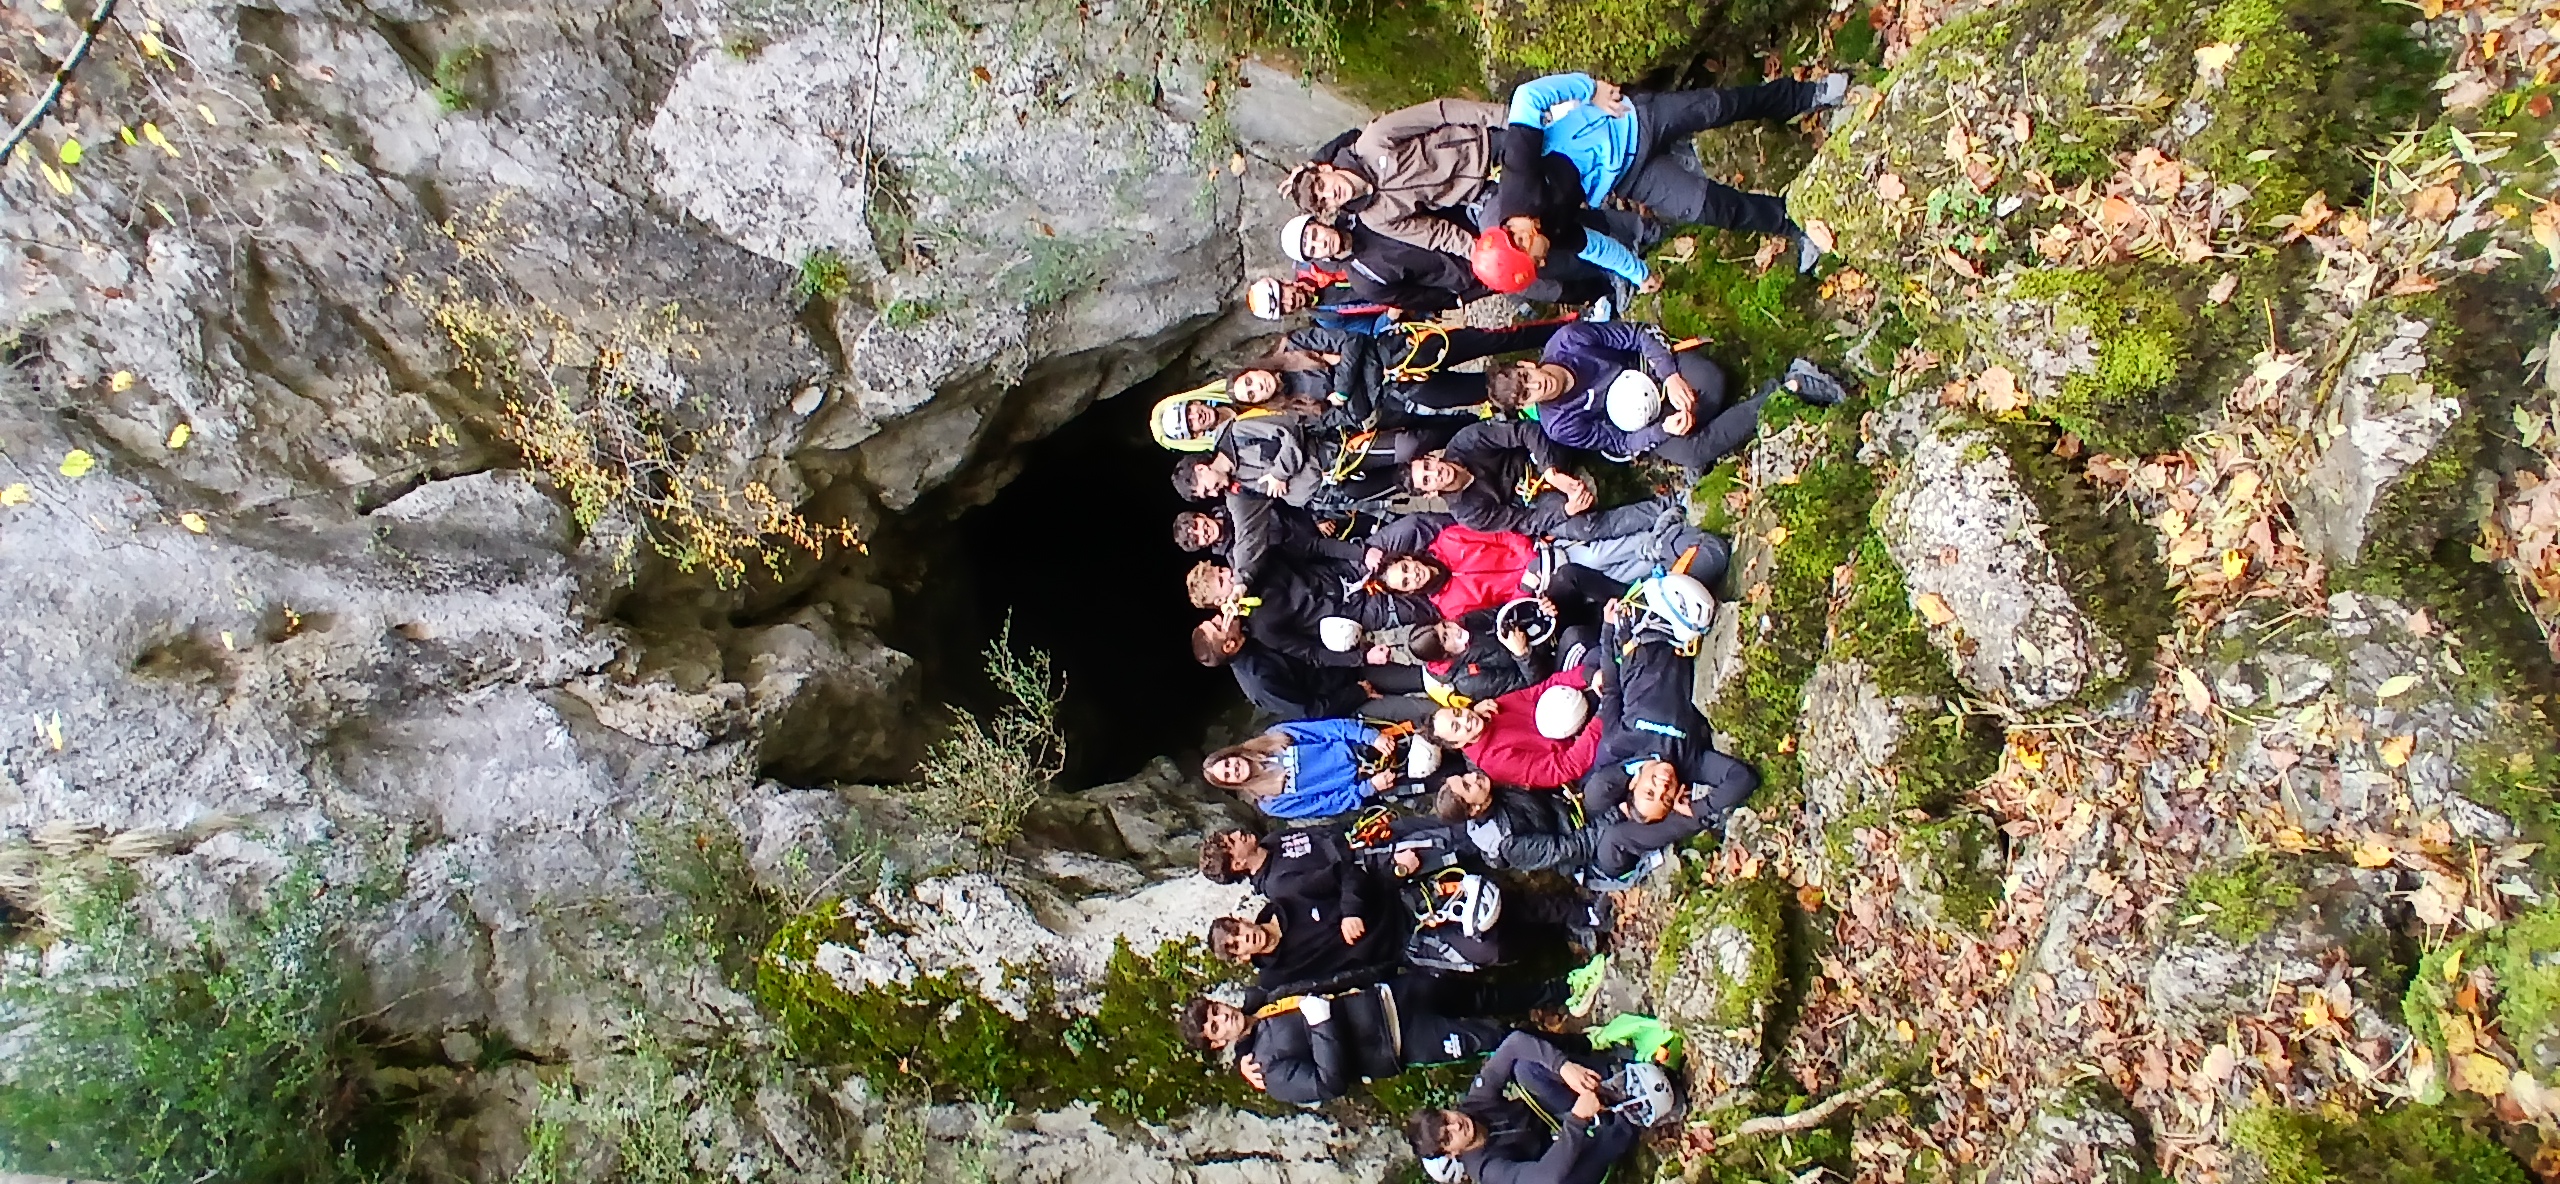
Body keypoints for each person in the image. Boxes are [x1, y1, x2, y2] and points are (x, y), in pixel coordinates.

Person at [1489, 71, 1850, 274]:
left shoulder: (1518, 181)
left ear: (1517, 238)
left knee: (1718, 106)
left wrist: (1592, 89)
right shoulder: (1547, 232)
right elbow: (1593, 247)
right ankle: (1792, 224)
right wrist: (1637, 274)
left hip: (1627, 120)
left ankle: (1806, 94)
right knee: (1707, 208)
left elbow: (1526, 98)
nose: (1542, 260)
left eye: (1534, 260)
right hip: (1628, 175)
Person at [1490, 326, 1847, 477]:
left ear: (1526, 365)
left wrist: (1670, 375)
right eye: (1527, 394)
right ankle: (1787, 389)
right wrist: (1661, 430)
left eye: (1527, 377)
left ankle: (1724, 419)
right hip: (1644, 421)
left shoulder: (1569, 340)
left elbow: (1635, 335)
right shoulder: (1558, 425)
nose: (1537, 384)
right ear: (1526, 406)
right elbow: (1618, 443)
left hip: (1654, 374)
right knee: (1693, 453)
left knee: (1713, 383)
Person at [1180, 975, 1547, 1104]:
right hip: (1401, 1042)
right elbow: (1329, 1084)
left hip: (1391, 996)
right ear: (1217, 1044)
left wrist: (1384, 976)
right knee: (1494, 1038)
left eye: (1215, 1011)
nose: (1221, 1017)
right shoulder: (1269, 1074)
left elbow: (1327, 979)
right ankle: (1580, 1047)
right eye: (1214, 1027)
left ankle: (1562, 989)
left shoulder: (1262, 997)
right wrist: (1321, 1025)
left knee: (1484, 996)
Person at [1285, 99, 1510, 260]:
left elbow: (1440, 112)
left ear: (1325, 168)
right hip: (1480, 196)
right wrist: (1479, 254)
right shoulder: (1374, 219)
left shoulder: (1373, 140)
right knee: (1511, 247)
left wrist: (1505, 118)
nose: (1329, 194)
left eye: (1322, 185)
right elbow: (1434, 234)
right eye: (1323, 202)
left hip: (1487, 146)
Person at [1407, 1030, 1642, 1184]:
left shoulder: (1475, 1102)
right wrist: (1578, 1119)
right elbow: (1544, 1176)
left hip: (1556, 1114)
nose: (1456, 1125)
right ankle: (1631, 1121)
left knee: (1525, 1068)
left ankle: (1620, 1077)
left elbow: (1514, 1043)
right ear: (1452, 1153)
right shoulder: (1487, 1169)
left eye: (1446, 1119)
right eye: (1448, 1137)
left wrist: (1563, 1067)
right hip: (1562, 1152)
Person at [1403, 419, 1663, 538]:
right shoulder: (1468, 513)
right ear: (1430, 494)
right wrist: (1566, 509)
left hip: (1540, 458)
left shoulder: (1465, 442)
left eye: (1428, 465)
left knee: (1561, 429)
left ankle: (1643, 435)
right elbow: (1524, 523)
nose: (1435, 473)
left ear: (1432, 457)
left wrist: (1551, 471)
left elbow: (1524, 431)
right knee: (1583, 528)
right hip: (1534, 500)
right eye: (1427, 480)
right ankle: (1662, 508)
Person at [1429, 667, 1602, 790]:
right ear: (1457, 744)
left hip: (1576, 706)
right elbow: (1565, 767)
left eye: (1458, 712)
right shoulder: (1496, 762)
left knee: (1586, 651)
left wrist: (1588, 676)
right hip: (1585, 744)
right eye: (1456, 727)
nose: (1465, 719)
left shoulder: (1491, 709)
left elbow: (1540, 691)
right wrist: (1601, 718)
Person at [1200, 827, 1385, 940]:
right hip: (1373, 864)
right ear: (1238, 864)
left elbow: (1322, 832)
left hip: (1368, 835)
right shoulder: (1279, 886)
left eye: (1231, 834)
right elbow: (1338, 879)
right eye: (1233, 841)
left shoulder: (1271, 840)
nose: (1238, 833)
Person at [1191, 612, 1379, 722]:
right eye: (1217, 625)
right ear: (1229, 646)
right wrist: (1358, 693)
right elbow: (1310, 711)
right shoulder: (1259, 683)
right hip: (1353, 688)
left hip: (1354, 655)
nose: (1219, 616)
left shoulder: (1250, 628)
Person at [1202, 719, 1399, 818]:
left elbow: (1326, 729)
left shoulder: (1274, 736)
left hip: (1363, 745)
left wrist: (1369, 736)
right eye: (1227, 775)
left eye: (1227, 763)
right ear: (1232, 784)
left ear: (1232, 754)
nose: (1233, 769)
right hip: (1368, 782)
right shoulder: (1271, 803)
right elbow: (1326, 805)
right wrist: (1369, 787)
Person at [1209, 895, 1403, 992]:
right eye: (1236, 945)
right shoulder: (1275, 981)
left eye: (1237, 931)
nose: (1245, 938)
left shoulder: (1285, 899)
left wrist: (1351, 910)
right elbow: (1255, 1015)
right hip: (1400, 954)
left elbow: (1343, 874)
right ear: (1242, 958)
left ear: (1243, 920)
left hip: (1395, 900)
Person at [1172, 493, 1363, 585]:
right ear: (1202, 546)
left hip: (1323, 513)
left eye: (1196, 526)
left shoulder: (1238, 503)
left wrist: (1318, 517)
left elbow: (1281, 496)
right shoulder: (1238, 561)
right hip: (1322, 553)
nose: (1203, 532)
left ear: (1200, 516)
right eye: (1198, 539)